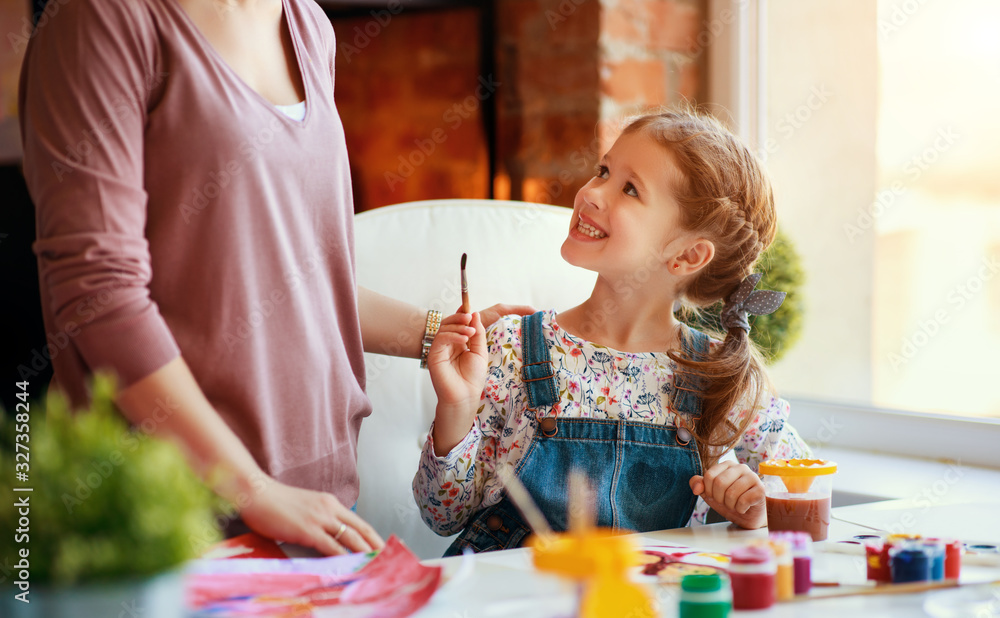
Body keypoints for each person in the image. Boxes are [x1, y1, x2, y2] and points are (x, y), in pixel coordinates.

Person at [19, 0, 529, 556]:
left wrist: (441, 334)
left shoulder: (309, 25)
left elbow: (301, 279)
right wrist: (253, 489)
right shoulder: (103, 18)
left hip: (320, 502)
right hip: (166, 516)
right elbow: (99, 293)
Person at [412, 108, 813, 555]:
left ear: (686, 256)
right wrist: (456, 408)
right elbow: (441, 517)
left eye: (629, 188)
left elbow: (804, 494)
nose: (593, 192)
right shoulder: (510, 347)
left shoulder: (720, 379)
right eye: (603, 170)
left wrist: (755, 510)